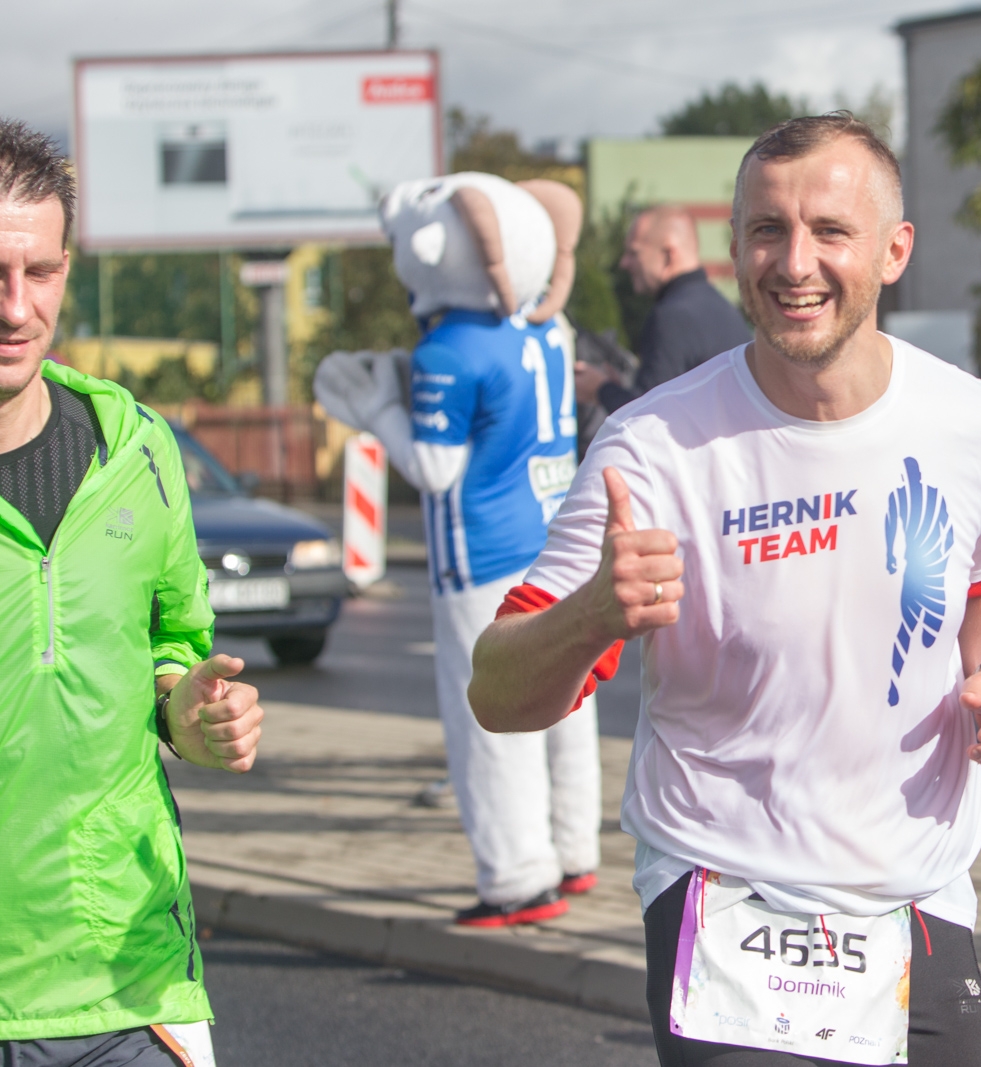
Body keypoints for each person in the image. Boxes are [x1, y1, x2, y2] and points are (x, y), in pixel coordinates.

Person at [469, 114, 981, 1067]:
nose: (794, 262)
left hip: (920, 893)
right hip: (729, 897)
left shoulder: (972, 420)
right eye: (766, 231)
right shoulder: (654, 449)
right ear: (733, 248)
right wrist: (594, 616)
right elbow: (496, 691)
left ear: (895, 250)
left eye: (829, 231)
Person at [0, 119, 265, 1066]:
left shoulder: (138, 448)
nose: (15, 308)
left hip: (127, 983)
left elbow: (172, 642)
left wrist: (189, 711)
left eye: (40, 273)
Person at [314, 173, 601, 926]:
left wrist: (378, 407)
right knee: (566, 704)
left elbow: (436, 469)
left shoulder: (449, 345)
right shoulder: (548, 325)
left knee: (491, 718)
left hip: (481, 557)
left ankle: (515, 877)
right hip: (555, 539)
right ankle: (575, 854)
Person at [573, 204, 750, 411]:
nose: (624, 263)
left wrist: (600, 389)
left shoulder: (673, 317)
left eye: (634, 253)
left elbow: (648, 418)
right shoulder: (717, 306)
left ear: (668, 253)